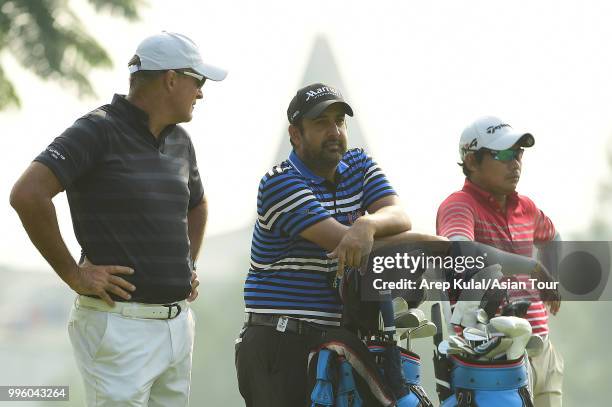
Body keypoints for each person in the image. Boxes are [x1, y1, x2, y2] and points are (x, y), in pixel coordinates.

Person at [9, 31, 226, 407]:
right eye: (198, 81)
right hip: (119, 326)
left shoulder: (180, 142)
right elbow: (28, 194)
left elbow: (198, 203)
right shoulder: (97, 130)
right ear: (171, 79)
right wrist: (74, 276)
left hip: (176, 327)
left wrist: (188, 263)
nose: (202, 93)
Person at [234, 83, 419, 406]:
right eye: (321, 123)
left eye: (339, 121)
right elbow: (344, 244)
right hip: (279, 343)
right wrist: (429, 242)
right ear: (295, 134)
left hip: (336, 342)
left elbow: (399, 214)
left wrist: (368, 223)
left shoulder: (359, 165)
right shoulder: (280, 182)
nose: (334, 131)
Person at [436, 116, 563, 407]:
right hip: (492, 359)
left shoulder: (526, 207)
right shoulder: (458, 205)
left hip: (542, 350)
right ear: (471, 161)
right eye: (503, 154)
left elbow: (553, 238)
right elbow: (462, 249)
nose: (515, 162)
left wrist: (550, 277)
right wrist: (532, 266)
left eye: (518, 153)